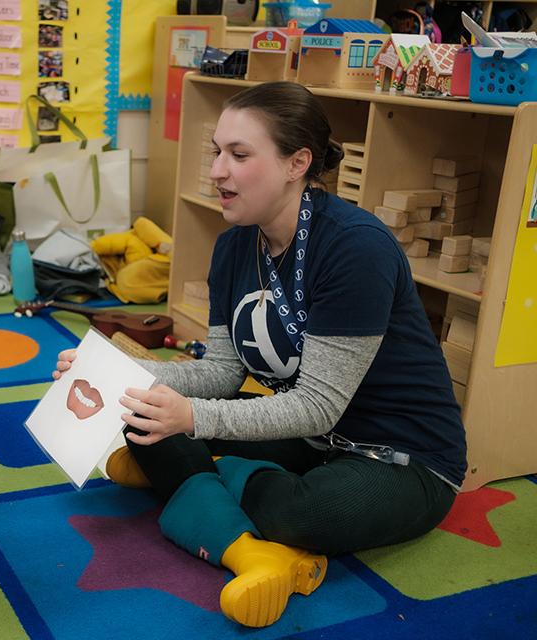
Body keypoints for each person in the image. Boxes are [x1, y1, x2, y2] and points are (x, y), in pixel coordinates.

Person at [54, 81, 466, 628]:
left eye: (239, 155)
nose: (218, 171)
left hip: (402, 458)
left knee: (299, 514)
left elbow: (317, 405)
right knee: (142, 412)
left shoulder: (354, 246)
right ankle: (223, 494)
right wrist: (115, 371)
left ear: (297, 163)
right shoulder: (234, 243)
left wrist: (195, 420)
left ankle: (204, 485)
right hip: (315, 440)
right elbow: (225, 373)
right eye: (217, 152)